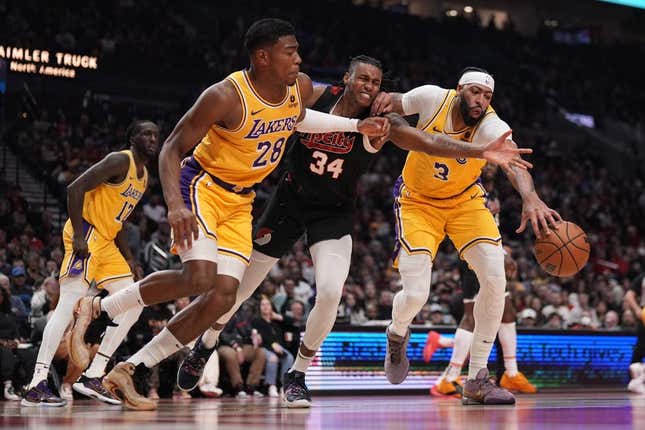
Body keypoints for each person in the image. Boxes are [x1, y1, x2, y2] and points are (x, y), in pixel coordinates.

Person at [67, 18, 388, 410]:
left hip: (242, 201)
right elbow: (170, 148)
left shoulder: (299, 88)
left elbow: (304, 119)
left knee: (222, 298)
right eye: (291, 52)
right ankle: (100, 309)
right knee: (200, 277)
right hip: (203, 185)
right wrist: (175, 206)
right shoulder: (224, 95)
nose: (300, 59)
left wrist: (359, 123)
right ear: (263, 56)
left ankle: (128, 370)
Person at [174, 56, 531, 408]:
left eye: (376, 83)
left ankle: (296, 376)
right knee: (243, 285)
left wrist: (527, 193)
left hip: (335, 210)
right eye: (363, 79)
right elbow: (289, 108)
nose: (369, 87)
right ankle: (206, 344)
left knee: (330, 293)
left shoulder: (381, 120)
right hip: (291, 198)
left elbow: (435, 143)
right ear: (346, 78)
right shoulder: (318, 97)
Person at [379, 67, 561, 405]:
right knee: (417, 293)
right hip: (417, 202)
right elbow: (390, 103)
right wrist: (383, 112)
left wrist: (530, 197)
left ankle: (477, 378)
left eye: (487, 96)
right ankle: (397, 331)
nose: (480, 101)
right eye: (475, 92)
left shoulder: (492, 126)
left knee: (496, 279)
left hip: (465, 202)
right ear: (460, 89)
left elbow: (513, 162)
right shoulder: (432, 97)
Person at [21, 120, 159, 407]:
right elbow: (75, 188)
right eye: (146, 133)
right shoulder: (120, 160)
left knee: (135, 302)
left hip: (107, 243)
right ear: (132, 138)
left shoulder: (144, 176)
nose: (153, 138)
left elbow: (118, 221)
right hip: (87, 235)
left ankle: (94, 375)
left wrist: (131, 259)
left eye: (156, 135)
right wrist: (80, 236)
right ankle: (36, 383)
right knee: (66, 307)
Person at [425, 166, 536, 397]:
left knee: (507, 312)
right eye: (485, 161)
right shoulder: (466, 184)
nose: (490, 165)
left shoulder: (494, 191)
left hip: (490, 250)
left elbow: (491, 226)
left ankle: (512, 373)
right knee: (471, 317)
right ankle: (451, 377)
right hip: (472, 253)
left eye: (493, 162)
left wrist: (504, 252)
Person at [624, 272, 645, 393]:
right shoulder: (642, 277)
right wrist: (637, 310)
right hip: (644, 314)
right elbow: (629, 295)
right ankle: (633, 380)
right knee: (641, 348)